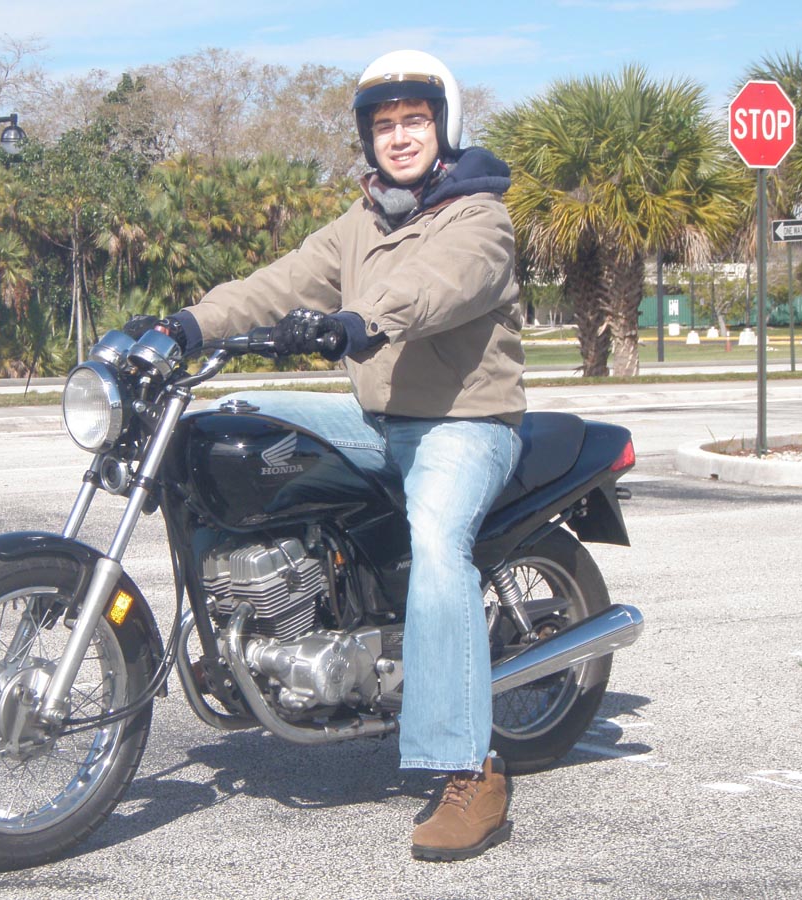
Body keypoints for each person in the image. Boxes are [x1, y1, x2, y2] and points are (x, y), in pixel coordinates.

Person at [149, 49, 525, 862]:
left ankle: (469, 770)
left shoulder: (479, 217)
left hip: (465, 424)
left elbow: (436, 286)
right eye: (385, 125)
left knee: (438, 545)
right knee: (223, 429)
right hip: (377, 418)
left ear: (445, 125)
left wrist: (356, 322)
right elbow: (279, 282)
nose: (400, 137)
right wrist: (184, 326)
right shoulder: (360, 223)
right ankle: (251, 630)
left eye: (415, 120)